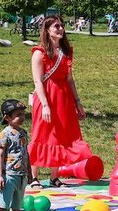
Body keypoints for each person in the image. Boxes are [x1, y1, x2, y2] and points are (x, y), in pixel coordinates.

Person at [29, 15, 92, 188]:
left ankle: (54, 177)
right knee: (41, 134)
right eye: (56, 26)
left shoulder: (66, 52)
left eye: (61, 26)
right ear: (47, 30)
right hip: (45, 97)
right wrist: (45, 105)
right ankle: (33, 176)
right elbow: (38, 81)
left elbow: (70, 79)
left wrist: (77, 102)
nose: (60, 29)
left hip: (63, 98)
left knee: (60, 134)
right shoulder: (39, 53)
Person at [0, 99, 31, 211]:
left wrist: (30, 173)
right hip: (8, 176)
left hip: (22, 176)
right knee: (2, 205)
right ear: (7, 118)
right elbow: (0, 156)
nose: (22, 117)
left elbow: (26, 153)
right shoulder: (4, 135)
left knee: (16, 205)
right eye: (17, 115)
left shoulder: (23, 133)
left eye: (23, 114)